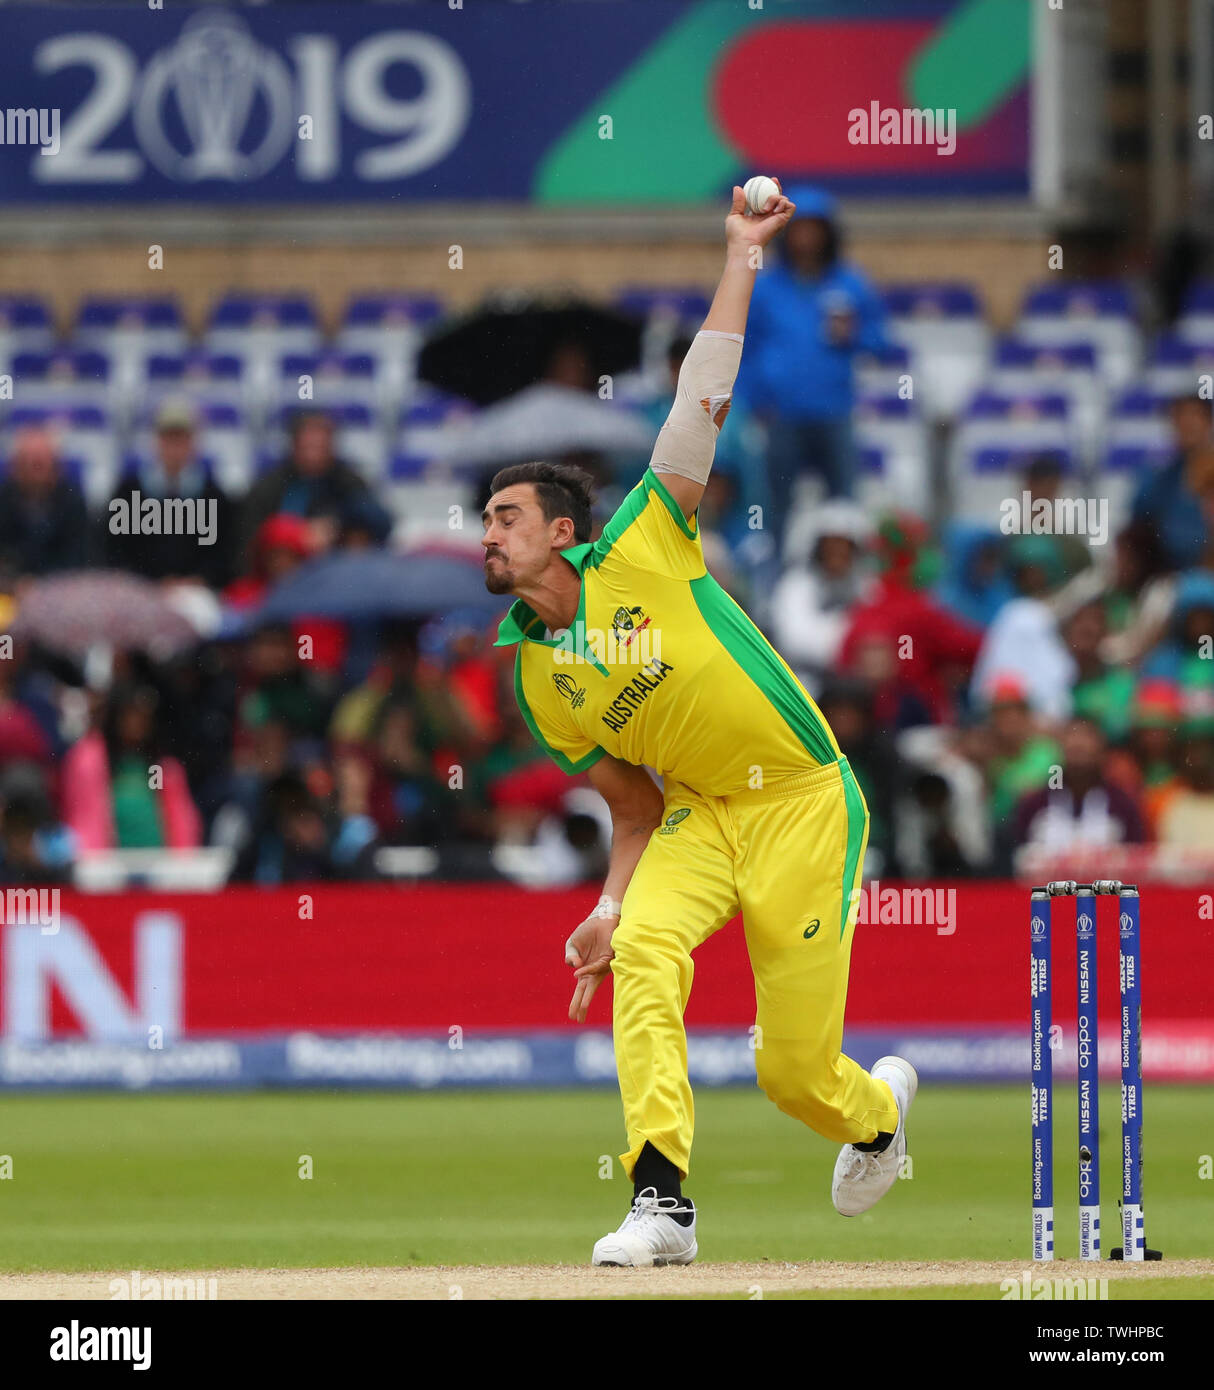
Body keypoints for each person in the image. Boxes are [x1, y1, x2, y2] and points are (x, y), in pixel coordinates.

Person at [482, 186, 915, 1268]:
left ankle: (876, 1116)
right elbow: (630, 803)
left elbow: (703, 392)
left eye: (505, 519)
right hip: (700, 820)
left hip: (802, 801)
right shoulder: (534, 678)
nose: (485, 535)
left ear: (564, 532)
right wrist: (605, 904)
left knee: (793, 1073)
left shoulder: (641, 540)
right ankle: (660, 1205)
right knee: (640, 953)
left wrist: (739, 254)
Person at [733, 185, 887, 542]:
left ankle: (846, 576)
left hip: (834, 413)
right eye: (800, 228)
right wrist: (754, 401)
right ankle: (775, 581)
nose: (807, 237)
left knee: (844, 504)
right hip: (781, 416)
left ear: (829, 234)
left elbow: (881, 342)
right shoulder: (767, 286)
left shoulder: (851, 283)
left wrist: (854, 335)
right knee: (778, 506)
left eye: (815, 229)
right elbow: (745, 346)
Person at [102, 397, 235, 588]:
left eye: (181, 437)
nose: (174, 446)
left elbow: (222, 554)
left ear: (193, 442)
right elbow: (115, 551)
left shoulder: (212, 494)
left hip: (195, 590)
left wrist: (196, 581)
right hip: (140, 590)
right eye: (168, 437)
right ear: (157, 440)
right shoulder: (129, 491)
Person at [1131, 394, 1214, 569]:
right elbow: (1139, 527)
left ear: (1208, 423)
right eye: (1179, 417)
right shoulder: (1159, 479)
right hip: (1171, 573)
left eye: (1194, 417)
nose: (1187, 425)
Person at [0, 426, 88, 579]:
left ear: (56, 466)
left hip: (60, 588)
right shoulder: (3, 501)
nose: (35, 474)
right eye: (29, 463)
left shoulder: (73, 502)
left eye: (40, 464)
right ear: (15, 467)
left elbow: (81, 557)